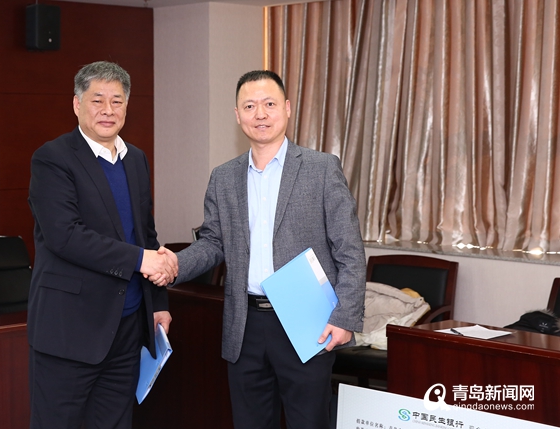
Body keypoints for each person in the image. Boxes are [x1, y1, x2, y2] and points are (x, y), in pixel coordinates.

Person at [163, 70, 366, 429]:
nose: (260, 114)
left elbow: (349, 251)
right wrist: (174, 264)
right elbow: (212, 242)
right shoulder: (224, 177)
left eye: (269, 104)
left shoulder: (321, 169)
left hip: (307, 322)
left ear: (286, 108)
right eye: (250, 106)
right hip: (246, 323)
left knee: (308, 422)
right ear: (237, 115)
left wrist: (344, 318)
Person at [27, 61, 176, 429]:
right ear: (77, 104)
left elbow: (146, 235)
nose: (108, 110)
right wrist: (140, 260)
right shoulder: (52, 158)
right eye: (97, 100)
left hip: (127, 329)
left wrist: (157, 303)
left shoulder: (136, 159)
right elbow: (65, 236)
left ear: (127, 106)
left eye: (117, 101)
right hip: (70, 329)